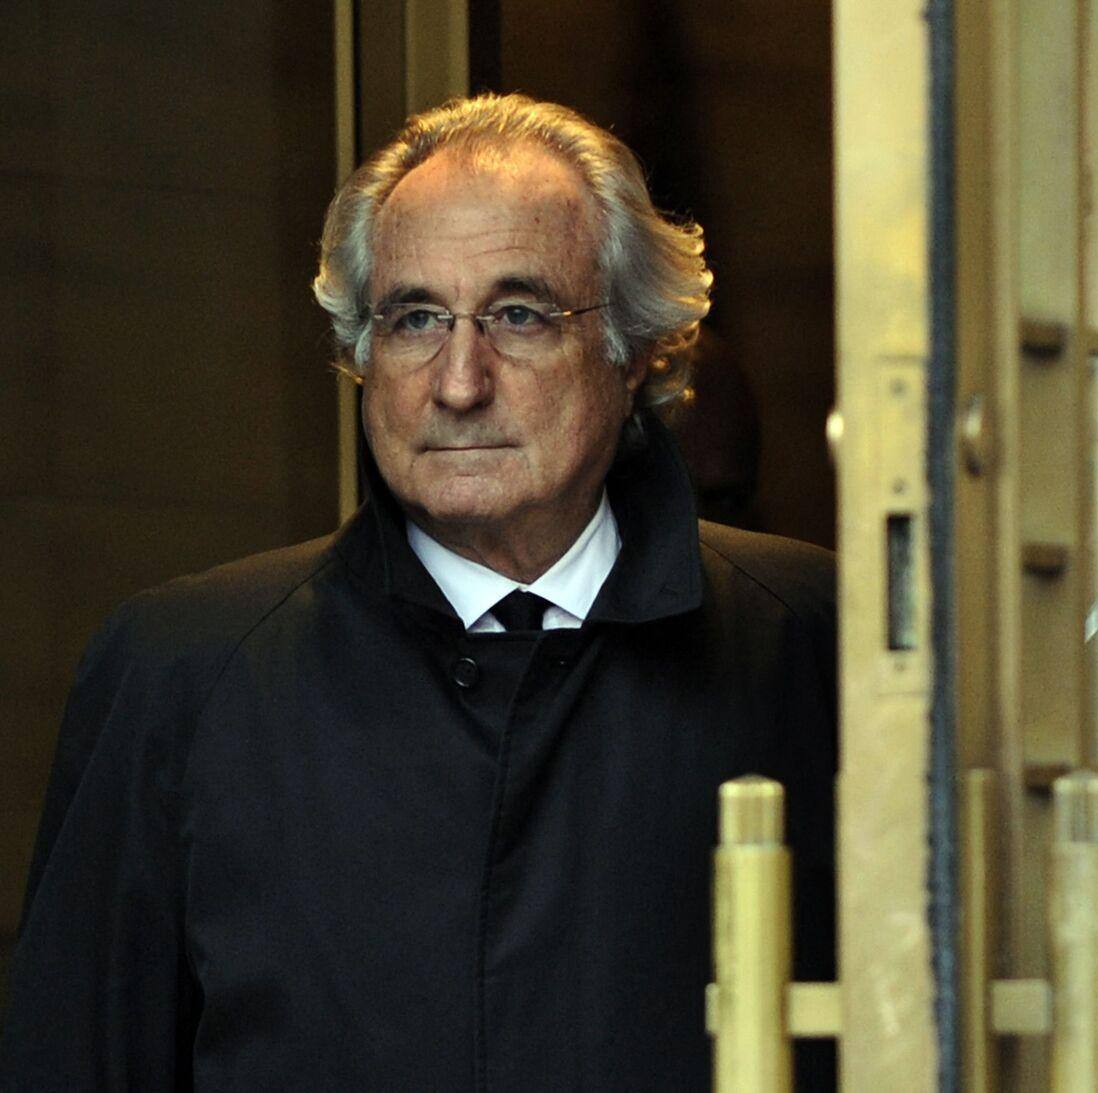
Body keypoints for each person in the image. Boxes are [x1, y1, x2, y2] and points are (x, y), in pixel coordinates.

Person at [0, 94, 836, 1091]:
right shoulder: (182, 676)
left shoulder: (818, 643)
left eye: (519, 315)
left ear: (636, 349)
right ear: (363, 355)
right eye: (415, 320)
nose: (459, 383)